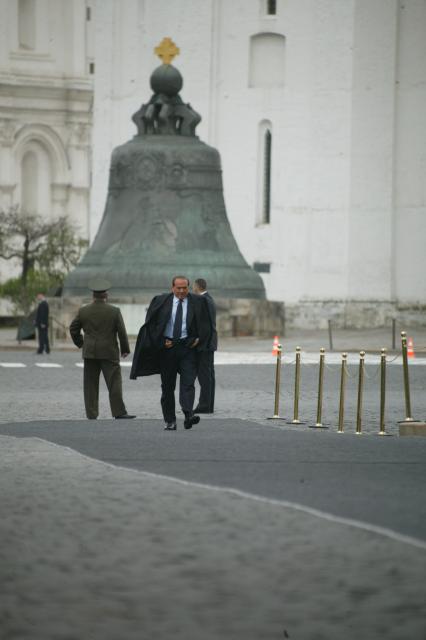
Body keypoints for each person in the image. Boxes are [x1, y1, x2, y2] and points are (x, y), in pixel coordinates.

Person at [130, 275, 211, 430]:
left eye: (185, 288)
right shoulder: (160, 301)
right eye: (178, 288)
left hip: (188, 348)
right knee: (168, 387)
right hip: (168, 349)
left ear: (188, 287)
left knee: (188, 383)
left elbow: (207, 324)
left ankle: (189, 415)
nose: (182, 291)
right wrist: (161, 342)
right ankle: (170, 420)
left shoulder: (198, 302)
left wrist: (198, 339)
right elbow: (151, 326)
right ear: (172, 287)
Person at [69, 279, 136, 420]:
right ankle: (119, 412)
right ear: (106, 295)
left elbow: (73, 329)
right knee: (114, 383)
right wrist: (125, 349)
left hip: (90, 352)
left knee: (90, 385)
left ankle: (92, 413)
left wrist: (81, 343)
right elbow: (122, 332)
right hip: (109, 351)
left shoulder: (84, 311)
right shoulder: (114, 311)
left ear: (93, 296)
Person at [193, 278, 217, 413]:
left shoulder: (202, 300)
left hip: (204, 344)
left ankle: (204, 405)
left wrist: (199, 340)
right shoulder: (209, 299)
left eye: (193, 287)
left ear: (197, 287)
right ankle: (208, 405)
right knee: (209, 376)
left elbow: (204, 325)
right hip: (210, 343)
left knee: (204, 376)